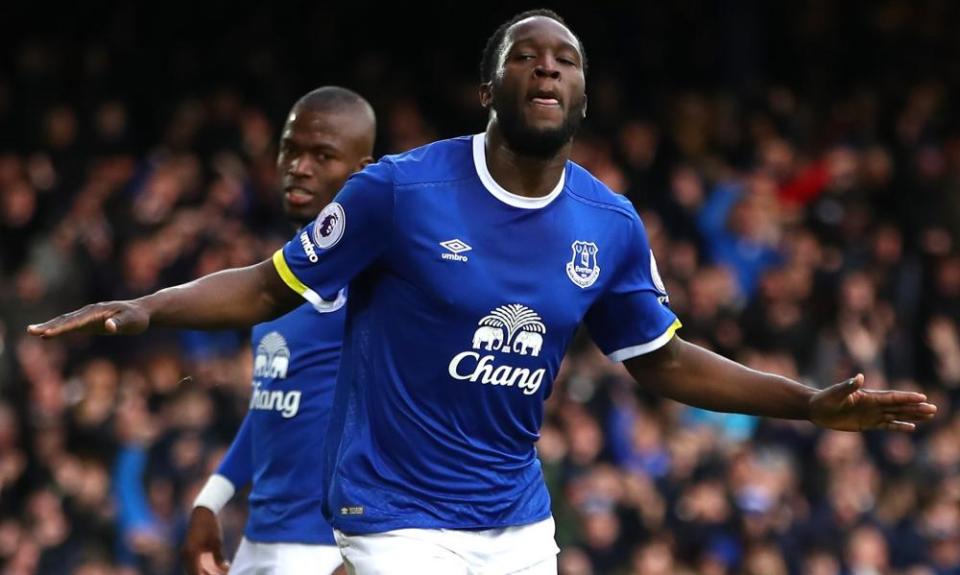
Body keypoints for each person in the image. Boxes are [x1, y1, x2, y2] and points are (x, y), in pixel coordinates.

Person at [28, 10, 936, 575]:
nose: (548, 66)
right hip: (393, 517)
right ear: (488, 88)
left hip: (517, 521)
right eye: (527, 55)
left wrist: (809, 404)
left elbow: (661, 362)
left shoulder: (609, 223)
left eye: (567, 58)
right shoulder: (399, 190)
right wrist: (149, 304)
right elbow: (270, 289)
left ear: (583, 96)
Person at [180, 87, 375, 575]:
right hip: (258, 544)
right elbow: (272, 408)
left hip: (334, 550)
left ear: (361, 169)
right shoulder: (271, 286)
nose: (299, 166)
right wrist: (211, 500)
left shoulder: (381, 288)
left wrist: (366, 551)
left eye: (322, 154)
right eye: (291, 149)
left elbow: (420, 422)